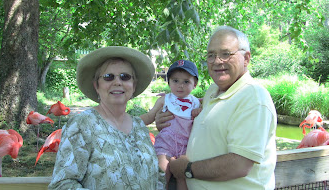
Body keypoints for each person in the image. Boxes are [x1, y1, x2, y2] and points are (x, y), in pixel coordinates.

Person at [155, 26, 277, 189]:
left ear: (246, 58)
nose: (217, 61)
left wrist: (187, 170)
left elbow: (239, 164)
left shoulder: (253, 97)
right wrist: (166, 120)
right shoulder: (213, 91)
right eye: (211, 55)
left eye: (226, 54)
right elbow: (191, 112)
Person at [49, 46, 161, 190]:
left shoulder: (139, 126)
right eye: (109, 77)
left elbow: (154, 178)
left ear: (133, 86)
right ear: (97, 85)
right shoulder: (82, 125)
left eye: (125, 76)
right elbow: (61, 184)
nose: (117, 82)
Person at [141, 60, 201, 190]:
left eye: (186, 82)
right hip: (166, 143)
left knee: (183, 177)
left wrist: (199, 112)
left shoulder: (196, 103)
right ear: (168, 82)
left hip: (186, 147)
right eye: (175, 81)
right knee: (162, 171)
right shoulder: (165, 100)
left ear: (194, 84)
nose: (180, 86)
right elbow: (149, 117)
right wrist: (128, 120)